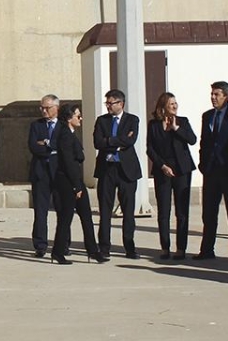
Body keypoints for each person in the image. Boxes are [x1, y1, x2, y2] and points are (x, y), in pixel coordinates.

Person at [195, 81, 228, 262]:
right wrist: (203, 163)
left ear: (226, 96)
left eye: (217, 94)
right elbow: (205, 141)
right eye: (212, 94)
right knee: (209, 213)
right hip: (211, 171)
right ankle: (207, 250)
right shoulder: (208, 116)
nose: (213, 97)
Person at [51, 104, 107, 264]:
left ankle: (93, 251)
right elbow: (68, 163)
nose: (80, 118)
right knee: (66, 217)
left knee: (86, 216)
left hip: (75, 180)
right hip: (68, 182)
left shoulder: (70, 133)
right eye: (78, 116)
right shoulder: (65, 135)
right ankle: (58, 252)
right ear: (69, 118)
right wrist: (76, 186)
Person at [146, 92, 198, 260]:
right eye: (171, 104)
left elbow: (192, 140)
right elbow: (150, 148)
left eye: (176, 103)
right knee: (164, 210)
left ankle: (181, 248)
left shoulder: (183, 122)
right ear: (163, 107)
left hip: (182, 170)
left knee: (182, 211)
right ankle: (165, 247)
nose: (175, 106)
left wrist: (176, 128)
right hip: (163, 171)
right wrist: (162, 166)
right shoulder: (153, 125)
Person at [93, 89, 142, 259]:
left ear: (120, 104)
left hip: (126, 170)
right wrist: (117, 142)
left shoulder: (132, 120)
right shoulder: (101, 121)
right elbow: (97, 143)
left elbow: (130, 140)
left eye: (111, 103)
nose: (108, 106)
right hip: (107, 169)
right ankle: (104, 247)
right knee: (105, 211)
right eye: (106, 103)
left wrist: (109, 141)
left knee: (128, 211)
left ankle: (129, 247)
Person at [27, 94, 60, 257]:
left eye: (47, 108)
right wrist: (51, 147)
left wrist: (46, 143)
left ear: (56, 108)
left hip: (59, 173)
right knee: (40, 211)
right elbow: (33, 147)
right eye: (42, 108)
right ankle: (40, 245)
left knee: (62, 210)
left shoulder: (63, 125)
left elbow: (64, 146)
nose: (44, 111)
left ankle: (62, 244)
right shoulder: (36, 126)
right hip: (40, 173)